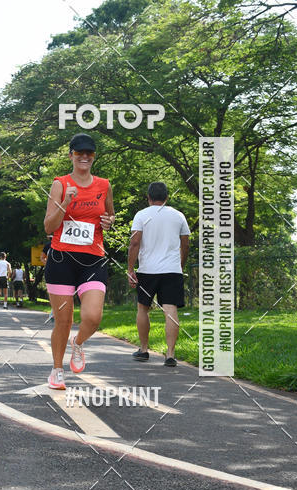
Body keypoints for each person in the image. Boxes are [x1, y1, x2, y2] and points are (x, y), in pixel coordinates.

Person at [43, 133, 115, 389]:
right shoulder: (60, 184)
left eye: (89, 153)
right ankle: (57, 370)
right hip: (62, 259)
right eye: (79, 153)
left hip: (92, 260)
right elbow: (48, 226)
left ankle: (79, 343)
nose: (84, 157)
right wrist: (66, 202)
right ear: (71, 155)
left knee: (93, 317)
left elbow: (109, 216)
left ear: (94, 156)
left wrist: (109, 221)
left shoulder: (104, 185)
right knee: (64, 320)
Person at [127, 181, 190, 367]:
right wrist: (180, 265)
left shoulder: (141, 215)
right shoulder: (178, 215)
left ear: (148, 197)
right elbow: (185, 244)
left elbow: (134, 243)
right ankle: (170, 355)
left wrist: (131, 269)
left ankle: (144, 350)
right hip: (172, 270)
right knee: (170, 310)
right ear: (167, 197)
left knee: (142, 308)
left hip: (148, 271)